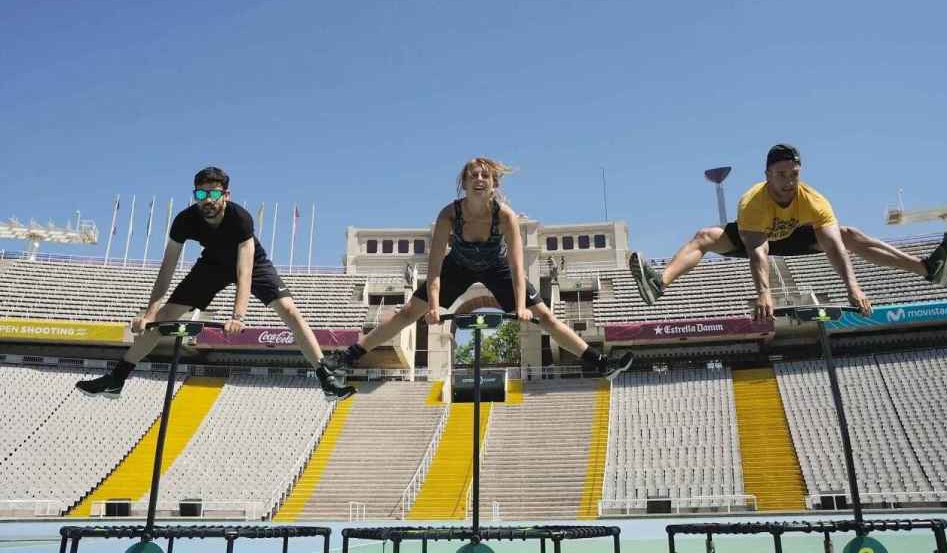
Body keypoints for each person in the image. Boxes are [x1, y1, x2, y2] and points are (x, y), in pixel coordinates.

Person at [324, 157, 633, 379]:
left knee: (546, 317)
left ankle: (600, 362)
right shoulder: (449, 215)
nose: (479, 179)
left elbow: (515, 265)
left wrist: (523, 307)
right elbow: (433, 270)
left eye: (484, 175)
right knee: (407, 313)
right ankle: (348, 357)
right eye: (473, 175)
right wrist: (432, 307)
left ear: (494, 183)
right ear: (465, 183)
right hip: (457, 266)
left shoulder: (506, 216)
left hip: (497, 267)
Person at [75, 166, 354, 400]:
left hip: (252, 264)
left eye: (213, 193)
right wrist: (148, 313)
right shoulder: (184, 220)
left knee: (289, 310)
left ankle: (325, 378)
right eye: (200, 194)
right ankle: (116, 379)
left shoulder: (240, 218)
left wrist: (238, 316)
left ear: (225, 194)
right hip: (212, 265)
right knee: (162, 320)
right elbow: (167, 268)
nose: (207, 200)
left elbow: (244, 271)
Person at [629, 143, 947, 320]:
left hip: (796, 235)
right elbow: (758, 252)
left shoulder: (813, 201)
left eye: (794, 173)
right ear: (767, 174)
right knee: (705, 236)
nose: (789, 181)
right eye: (782, 174)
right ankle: (660, 283)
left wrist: (852, 288)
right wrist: (764, 294)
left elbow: (835, 247)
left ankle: (927, 268)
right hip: (756, 236)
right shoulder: (753, 201)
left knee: (849, 233)